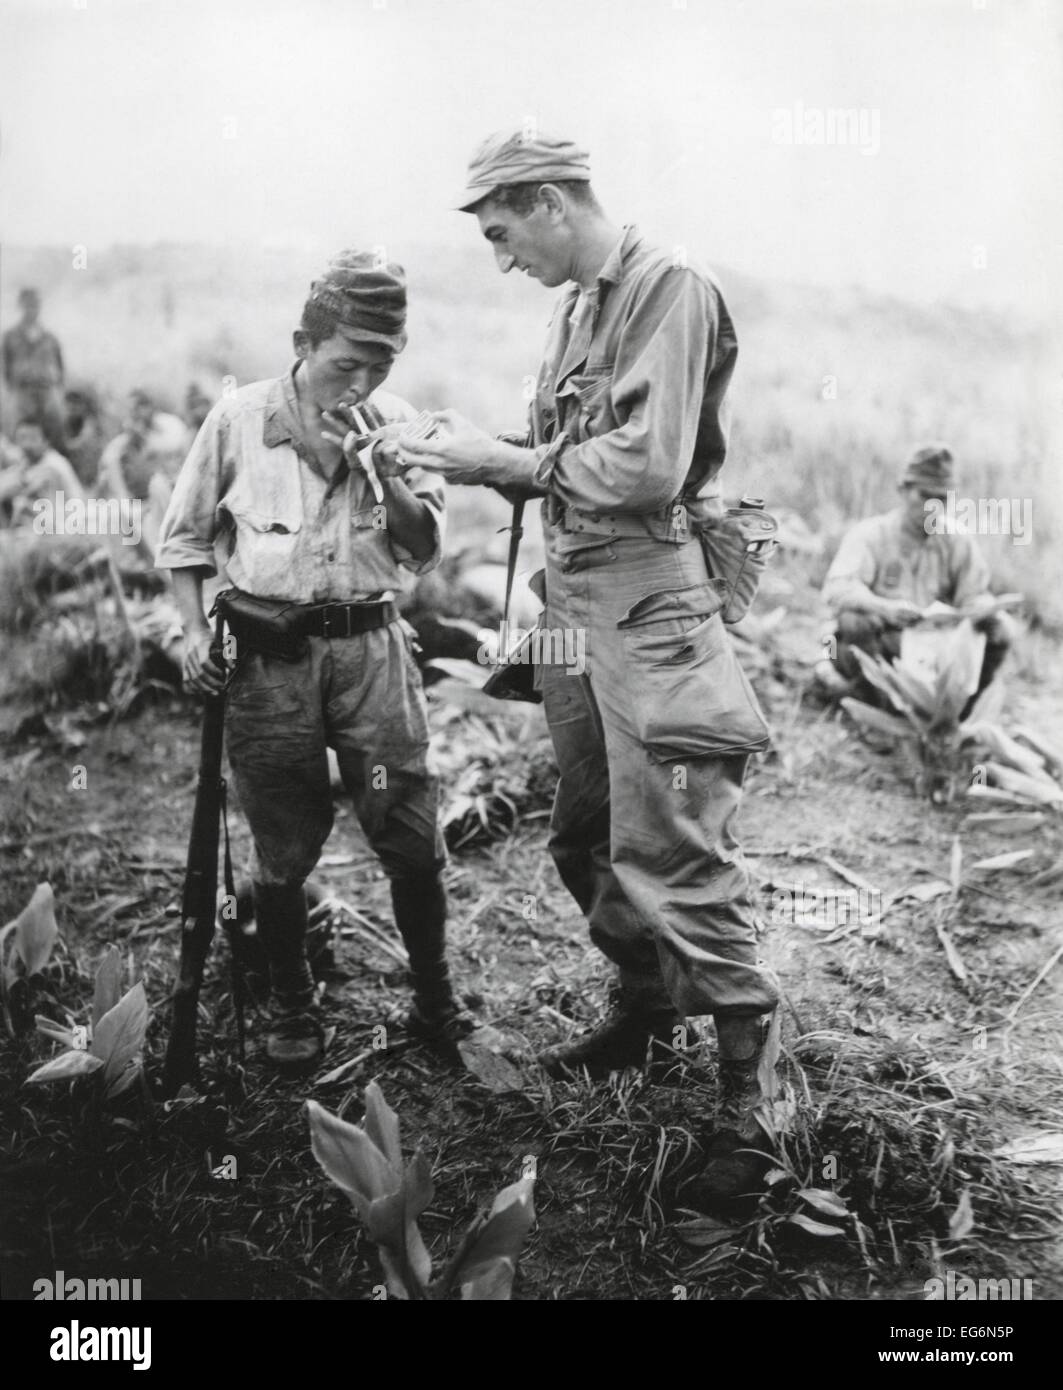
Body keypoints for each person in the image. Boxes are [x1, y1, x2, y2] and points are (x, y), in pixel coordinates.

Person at [399, 131, 780, 1205]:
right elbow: (564, 460)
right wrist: (470, 453)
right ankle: (647, 1011)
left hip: (650, 609)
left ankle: (750, 1117)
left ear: (551, 200)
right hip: (574, 605)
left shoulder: (669, 289)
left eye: (501, 230)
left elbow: (648, 464)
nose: (500, 256)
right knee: (582, 836)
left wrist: (506, 461)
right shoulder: (575, 307)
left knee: (674, 852)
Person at [156, 250, 482, 1071]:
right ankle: (291, 1001)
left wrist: (385, 473)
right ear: (303, 342)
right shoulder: (238, 419)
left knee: (407, 828)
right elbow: (185, 543)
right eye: (346, 362)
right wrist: (194, 635)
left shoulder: (396, 421)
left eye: (381, 364)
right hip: (267, 663)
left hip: (371, 653)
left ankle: (436, 998)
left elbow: (422, 552)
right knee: (282, 843)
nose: (362, 382)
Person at [818, 444, 1012, 705]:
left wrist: (980, 609)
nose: (933, 507)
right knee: (853, 619)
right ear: (903, 490)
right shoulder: (872, 534)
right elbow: (837, 589)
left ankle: (956, 713)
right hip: (883, 647)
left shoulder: (958, 541)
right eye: (925, 495)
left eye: (942, 498)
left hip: (937, 650)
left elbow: (974, 594)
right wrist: (885, 608)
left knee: (1001, 629)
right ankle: (876, 700)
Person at [99, 390, 190, 562]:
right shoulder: (118, 450)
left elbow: (177, 458)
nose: (137, 413)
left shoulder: (170, 428)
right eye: (132, 410)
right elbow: (120, 494)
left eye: (141, 407)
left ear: (151, 407)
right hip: (139, 506)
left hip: (169, 496)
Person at [2, 288, 65, 448]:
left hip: (46, 390)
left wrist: (56, 388)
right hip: (23, 392)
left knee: (52, 429)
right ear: (21, 306)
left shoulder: (49, 337)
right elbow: (6, 367)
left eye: (35, 305)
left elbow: (60, 367)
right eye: (28, 305)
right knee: (21, 431)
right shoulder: (10, 336)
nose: (32, 309)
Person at [0, 419, 83, 526]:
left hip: (64, 526)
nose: (27, 445)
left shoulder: (54, 464)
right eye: (22, 439)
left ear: (46, 441)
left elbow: (26, 484)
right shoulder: (25, 463)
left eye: (32, 439)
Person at [62, 386, 106, 488]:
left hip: (90, 480)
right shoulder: (66, 422)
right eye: (69, 403)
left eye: (77, 403)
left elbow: (81, 442)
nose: (72, 407)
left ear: (85, 405)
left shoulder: (91, 423)